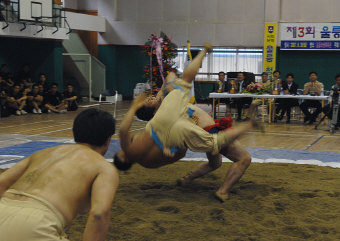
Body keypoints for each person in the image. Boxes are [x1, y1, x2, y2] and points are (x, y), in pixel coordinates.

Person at [114, 44, 259, 202]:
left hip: (176, 134)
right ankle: (223, 190)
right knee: (242, 157)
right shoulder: (158, 115)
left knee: (215, 162)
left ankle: (186, 179)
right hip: (199, 129)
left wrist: (169, 146)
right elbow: (123, 130)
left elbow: (177, 154)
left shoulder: (147, 160)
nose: (150, 98)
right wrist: (137, 104)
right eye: (149, 100)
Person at [0, 108, 118, 241]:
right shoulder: (103, 167)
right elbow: (99, 214)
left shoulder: (41, 154)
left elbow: (1, 183)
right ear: (108, 140)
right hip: (38, 223)